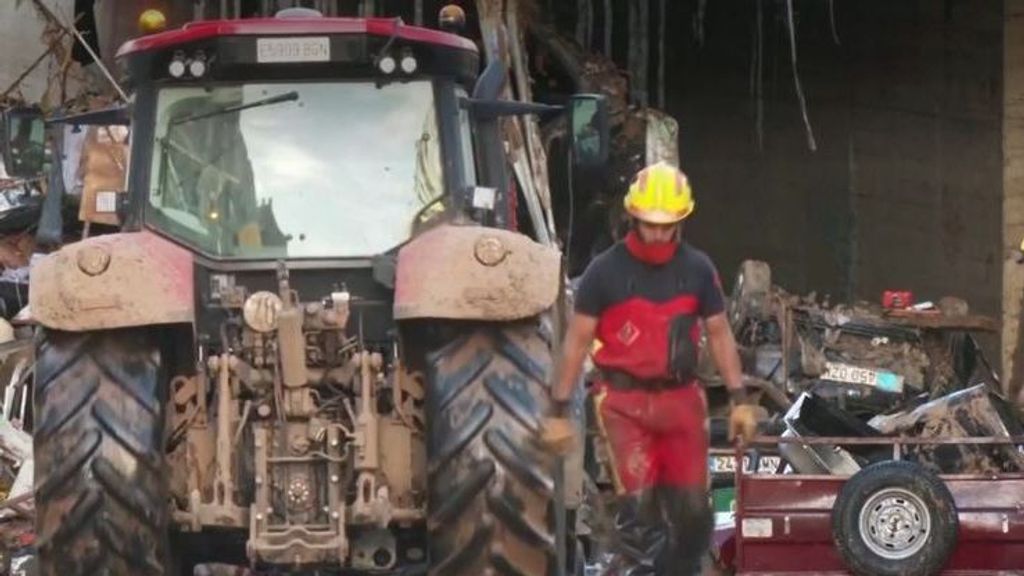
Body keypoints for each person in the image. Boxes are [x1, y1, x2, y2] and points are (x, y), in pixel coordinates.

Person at [540, 161, 758, 575]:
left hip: (681, 400)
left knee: (692, 512)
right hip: (623, 403)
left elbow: (719, 333)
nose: (658, 233)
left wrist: (739, 399)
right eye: (649, 224)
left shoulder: (697, 270)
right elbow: (576, 342)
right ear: (633, 217)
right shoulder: (604, 272)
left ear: (682, 221)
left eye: (667, 225)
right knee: (640, 513)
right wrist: (558, 410)